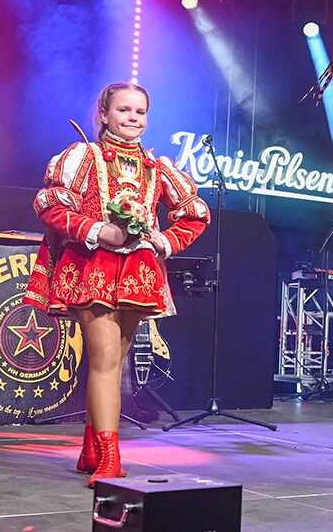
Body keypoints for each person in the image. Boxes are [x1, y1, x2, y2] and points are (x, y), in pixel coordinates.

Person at [24, 83, 210, 486]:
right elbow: (49, 204)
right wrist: (97, 230)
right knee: (107, 362)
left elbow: (195, 212)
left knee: (110, 364)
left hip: (139, 274)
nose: (133, 118)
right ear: (104, 114)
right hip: (93, 266)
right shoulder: (85, 157)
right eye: (124, 110)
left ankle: (90, 449)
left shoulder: (156, 166)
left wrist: (164, 240)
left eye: (140, 112)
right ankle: (110, 457)